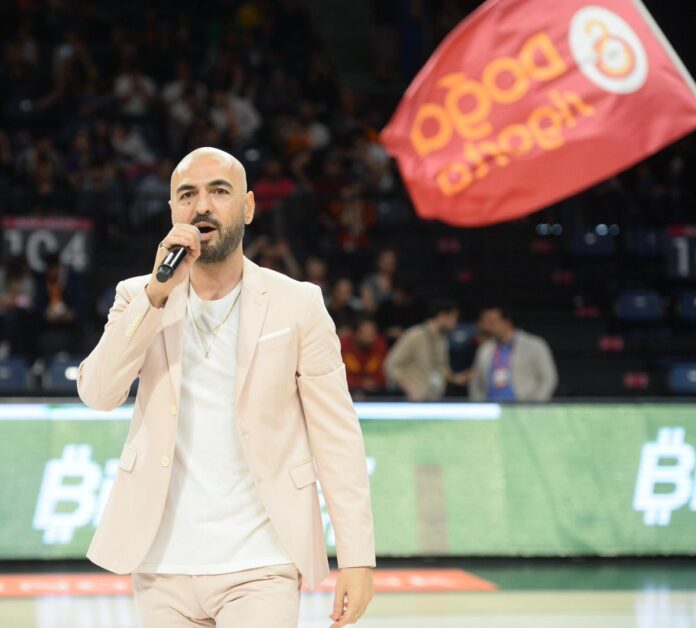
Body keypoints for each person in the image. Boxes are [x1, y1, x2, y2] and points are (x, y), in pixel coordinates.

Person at [77, 147, 375, 628]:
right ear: (172, 211)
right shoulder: (139, 295)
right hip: (160, 564)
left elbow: (337, 436)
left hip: (262, 560)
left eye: (219, 191)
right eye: (187, 195)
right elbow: (97, 393)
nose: (202, 206)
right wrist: (156, 294)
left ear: (248, 206)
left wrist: (357, 556)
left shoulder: (298, 304)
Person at [383, 300, 469, 401]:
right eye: (453, 318)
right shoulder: (414, 335)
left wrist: (455, 378)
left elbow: (442, 369)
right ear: (442, 316)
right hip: (412, 400)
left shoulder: (442, 340)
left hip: (433, 398)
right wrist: (410, 392)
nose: (455, 323)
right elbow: (391, 365)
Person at [469, 307, 558, 402]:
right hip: (491, 407)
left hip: (524, 406)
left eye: (491, 323)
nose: (486, 327)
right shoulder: (485, 348)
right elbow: (476, 381)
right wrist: (479, 404)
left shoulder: (534, 344)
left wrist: (535, 404)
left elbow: (549, 378)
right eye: (484, 322)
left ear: (506, 323)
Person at [341, 316, 388, 398]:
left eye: (373, 333)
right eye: (366, 333)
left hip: (376, 391)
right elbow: (338, 376)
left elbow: (384, 373)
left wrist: (375, 381)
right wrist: (360, 383)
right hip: (347, 391)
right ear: (355, 333)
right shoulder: (343, 346)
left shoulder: (379, 345)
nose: (371, 337)